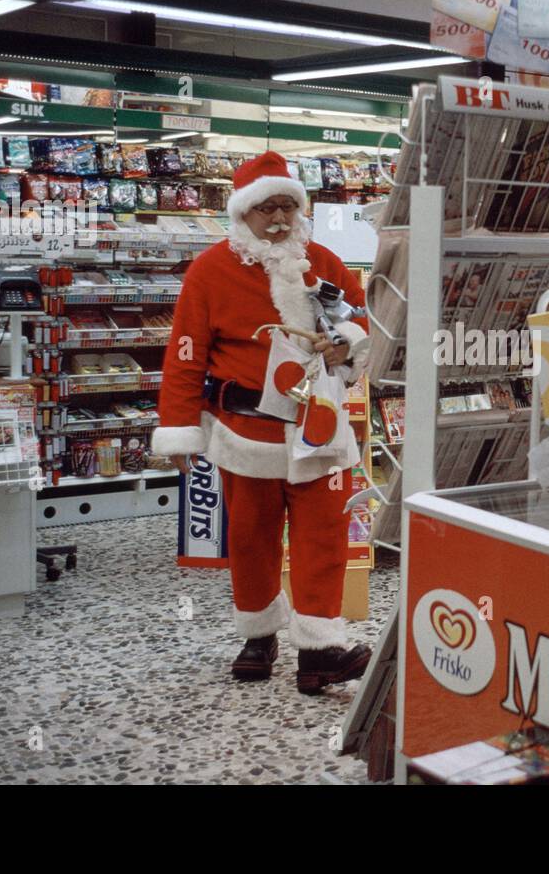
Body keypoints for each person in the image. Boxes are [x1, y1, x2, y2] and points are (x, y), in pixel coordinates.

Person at [152, 151, 372, 693]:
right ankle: (259, 635)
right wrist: (181, 428)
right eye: (266, 208)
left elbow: (363, 324)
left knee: (324, 535)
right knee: (251, 537)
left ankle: (320, 650)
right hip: (244, 429)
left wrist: (345, 344)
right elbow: (185, 355)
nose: (278, 218)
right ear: (242, 214)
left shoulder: (325, 262)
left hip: (317, 423)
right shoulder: (209, 271)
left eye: (287, 206)